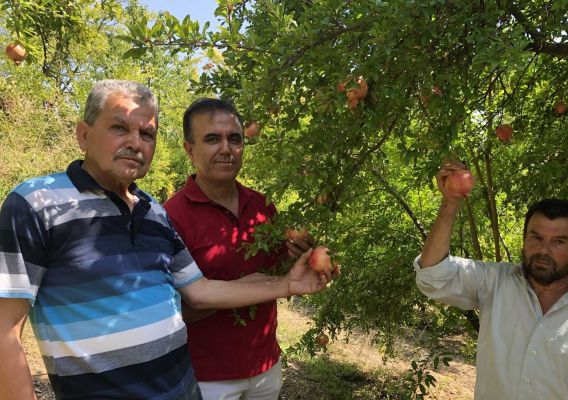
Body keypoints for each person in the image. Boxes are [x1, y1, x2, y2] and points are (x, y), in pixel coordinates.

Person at [0, 80, 331, 400]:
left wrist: (287, 284)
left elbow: (200, 290)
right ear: (83, 135)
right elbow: (5, 331)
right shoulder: (36, 204)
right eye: (119, 128)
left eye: (147, 133)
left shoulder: (154, 214)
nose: (135, 142)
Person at [414, 160, 568, 399]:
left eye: (559, 242)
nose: (544, 250)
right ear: (524, 240)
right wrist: (450, 203)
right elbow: (432, 277)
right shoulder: (495, 282)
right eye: (536, 237)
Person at [164, 98, 316, 399]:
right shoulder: (171, 217)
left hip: (265, 366)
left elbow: (274, 271)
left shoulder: (262, 205)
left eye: (235, 139)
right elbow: (176, 312)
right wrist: (247, 287)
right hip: (206, 377)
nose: (226, 149)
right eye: (212, 139)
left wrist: (296, 258)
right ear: (189, 149)